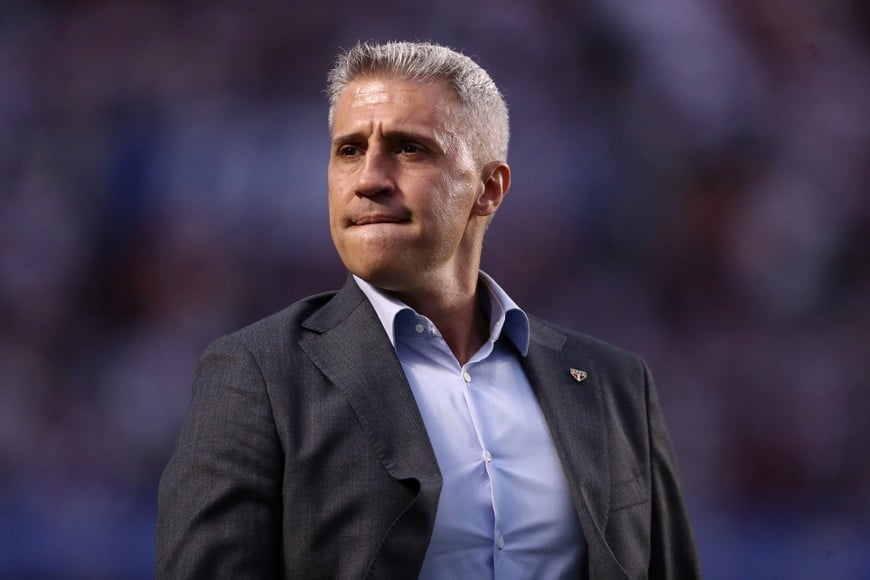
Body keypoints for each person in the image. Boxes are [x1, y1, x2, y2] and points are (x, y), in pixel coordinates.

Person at [155, 40, 701, 579]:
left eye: (409, 149)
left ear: (489, 188)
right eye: (349, 150)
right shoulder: (259, 374)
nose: (368, 179)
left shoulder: (616, 386)